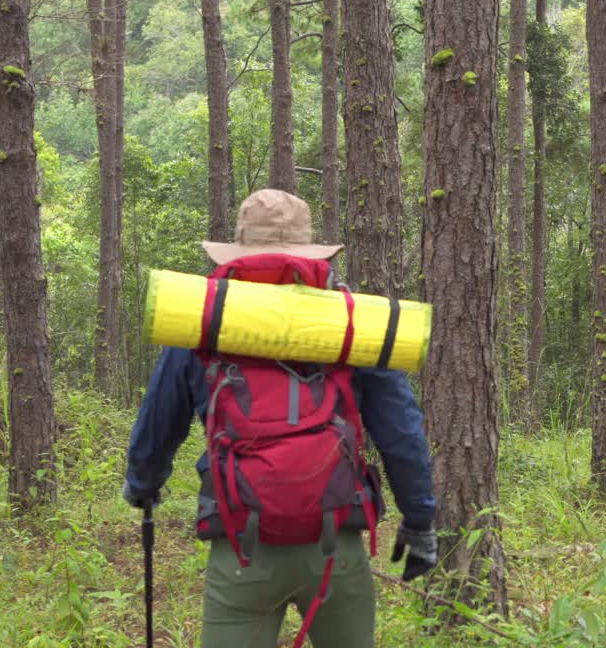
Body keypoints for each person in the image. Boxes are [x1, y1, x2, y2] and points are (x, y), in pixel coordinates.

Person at [123, 189, 437, 648]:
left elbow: (158, 422)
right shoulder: (351, 323)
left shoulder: (204, 322)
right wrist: (419, 519)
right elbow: (401, 431)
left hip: (239, 546)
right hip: (336, 546)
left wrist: (142, 485)